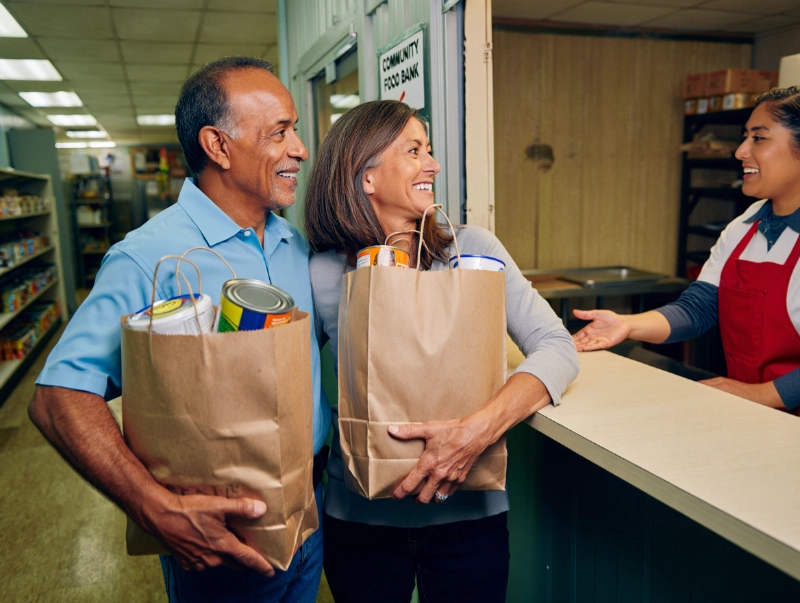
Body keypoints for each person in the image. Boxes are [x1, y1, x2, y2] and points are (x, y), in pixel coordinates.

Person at [28, 57, 331, 602]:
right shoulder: (148, 258)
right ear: (217, 146)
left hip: (308, 516)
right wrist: (150, 505)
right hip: (220, 544)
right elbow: (59, 398)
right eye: (280, 132)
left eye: (296, 131)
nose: (300, 149)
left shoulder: (293, 244)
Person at [304, 100, 579, 602]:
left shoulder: (475, 252)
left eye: (429, 150)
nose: (432, 164)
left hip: (469, 519)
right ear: (365, 175)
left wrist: (479, 431)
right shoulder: (323, 272)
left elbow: (557, 347)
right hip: (361, 520)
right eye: (414, 150)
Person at [572, 86, 800, 414]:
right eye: (744, 137)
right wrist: (627, 324)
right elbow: (699, 308)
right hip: (752, 415)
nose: (740, 151)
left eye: (759, 138)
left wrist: (760, 395)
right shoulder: (743, 228)